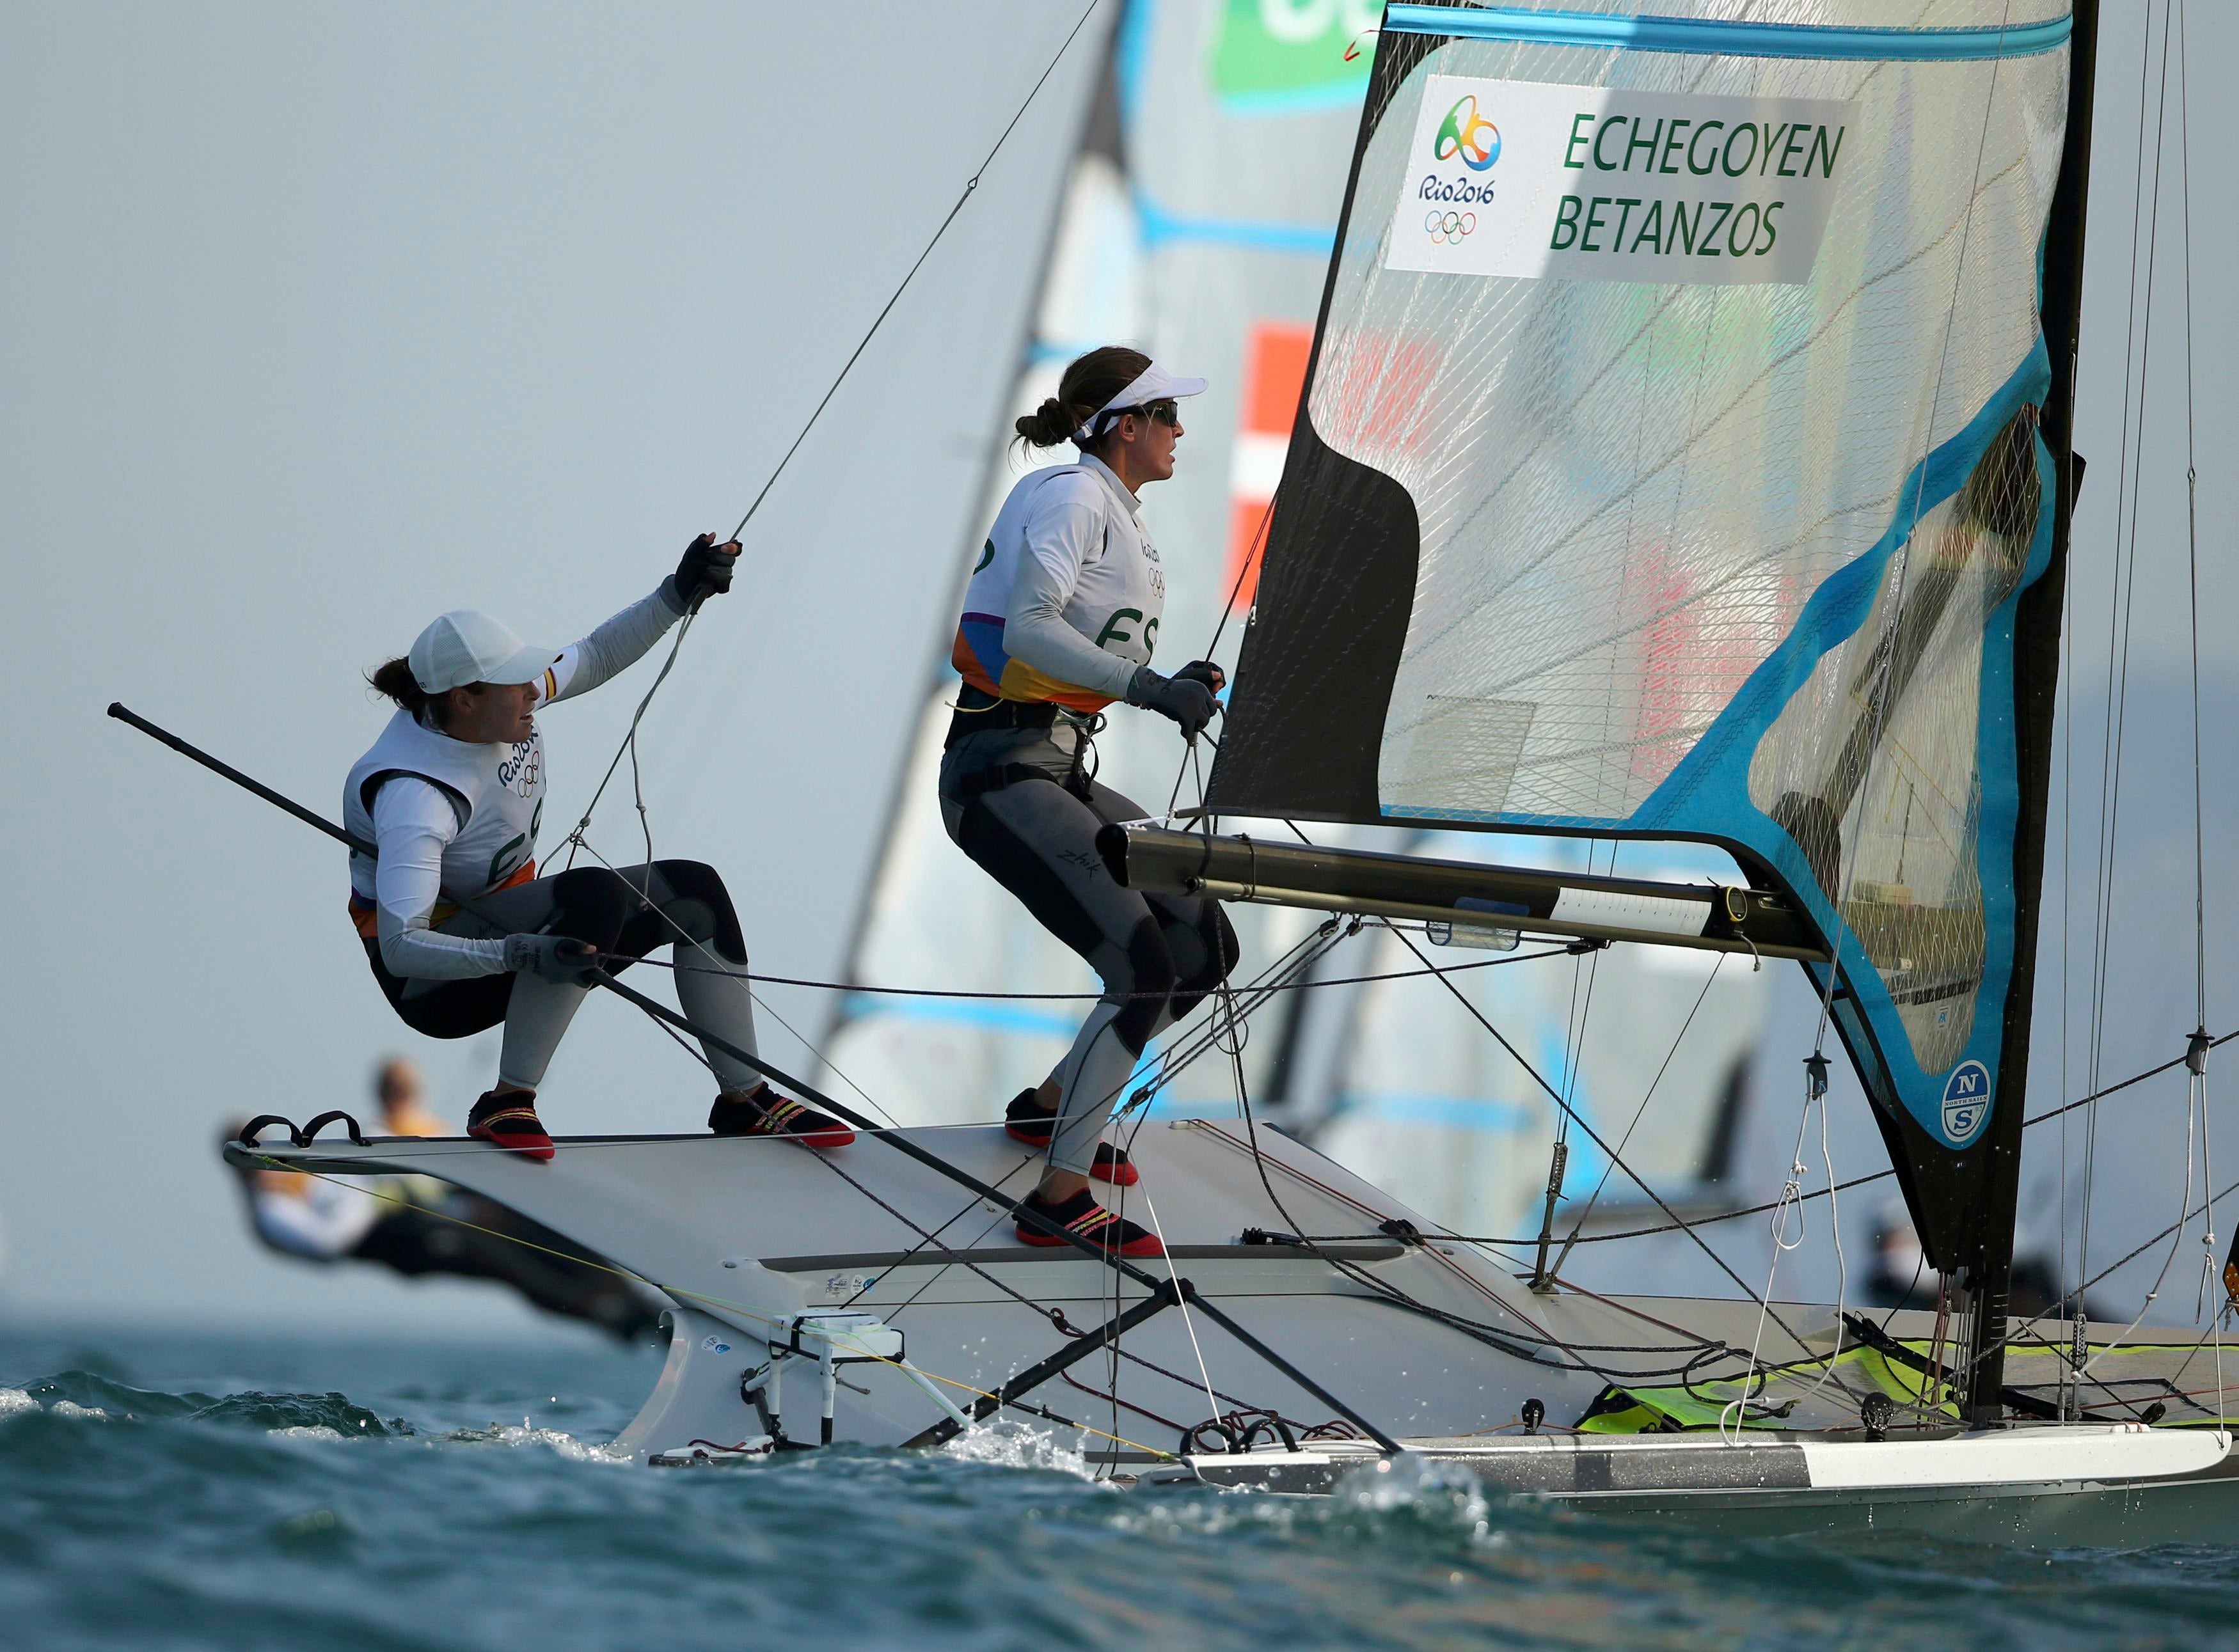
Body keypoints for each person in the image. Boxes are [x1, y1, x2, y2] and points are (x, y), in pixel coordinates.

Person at [345, 533, 851, 1160]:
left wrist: (677, 594)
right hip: (436, 986)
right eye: (517, 686)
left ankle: (746, 1099)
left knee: (694, 891)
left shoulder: (497, 703)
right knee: (593, 895)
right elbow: (402, 950)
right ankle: (507, 1101)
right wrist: (518, 953)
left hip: (521, 930)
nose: (535, 692)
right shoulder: (416, 797)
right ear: (463, 699)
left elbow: (596, 653)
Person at [942, 347, 1238, 1257]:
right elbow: (1028, 630)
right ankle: (1057, 1199)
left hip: (1057, 766)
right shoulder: (1073, 495)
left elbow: (1073, 648)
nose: (1180, 430)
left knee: (1203, 946)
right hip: (999, 770)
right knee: (1140, 965)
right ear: (1124, 425)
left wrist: (1174, 680)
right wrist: (1151, 689)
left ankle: (1048, 1110)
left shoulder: (1115, 511)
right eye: (1167, 415)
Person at [224, 1060, 662, 1341]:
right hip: (406, 1241)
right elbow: (331, 1241)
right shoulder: (270, 1210)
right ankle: (618, 1318)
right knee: (509, 1265)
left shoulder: (391, 1136)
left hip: (426, 1220)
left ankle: (638, 1302)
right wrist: (368, 1185)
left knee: (535, 1228)